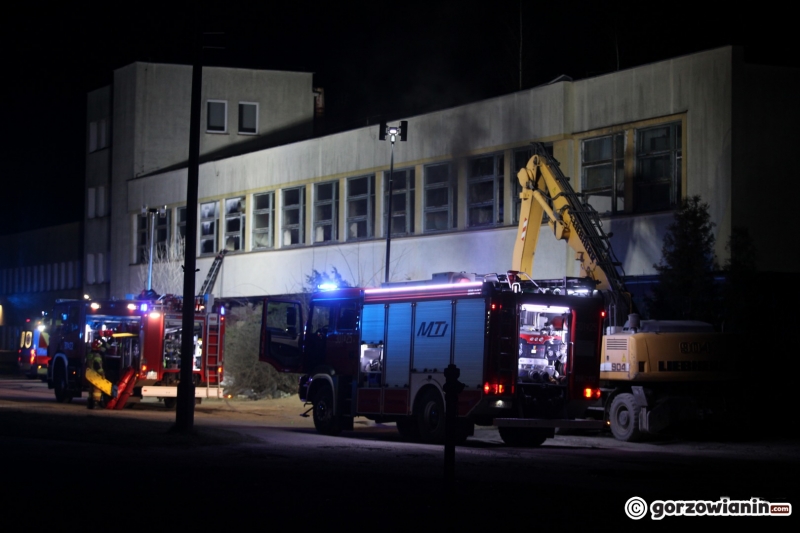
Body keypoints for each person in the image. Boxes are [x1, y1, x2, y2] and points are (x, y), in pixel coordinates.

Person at [86, 339, 106, 409]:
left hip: (89, 374)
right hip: (96, 375)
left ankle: (90, 404)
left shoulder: (89, 354)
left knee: (91, 390)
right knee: (97, 390)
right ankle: (96, 403)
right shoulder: (97, 355)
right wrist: (102, 374)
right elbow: (98, 366)